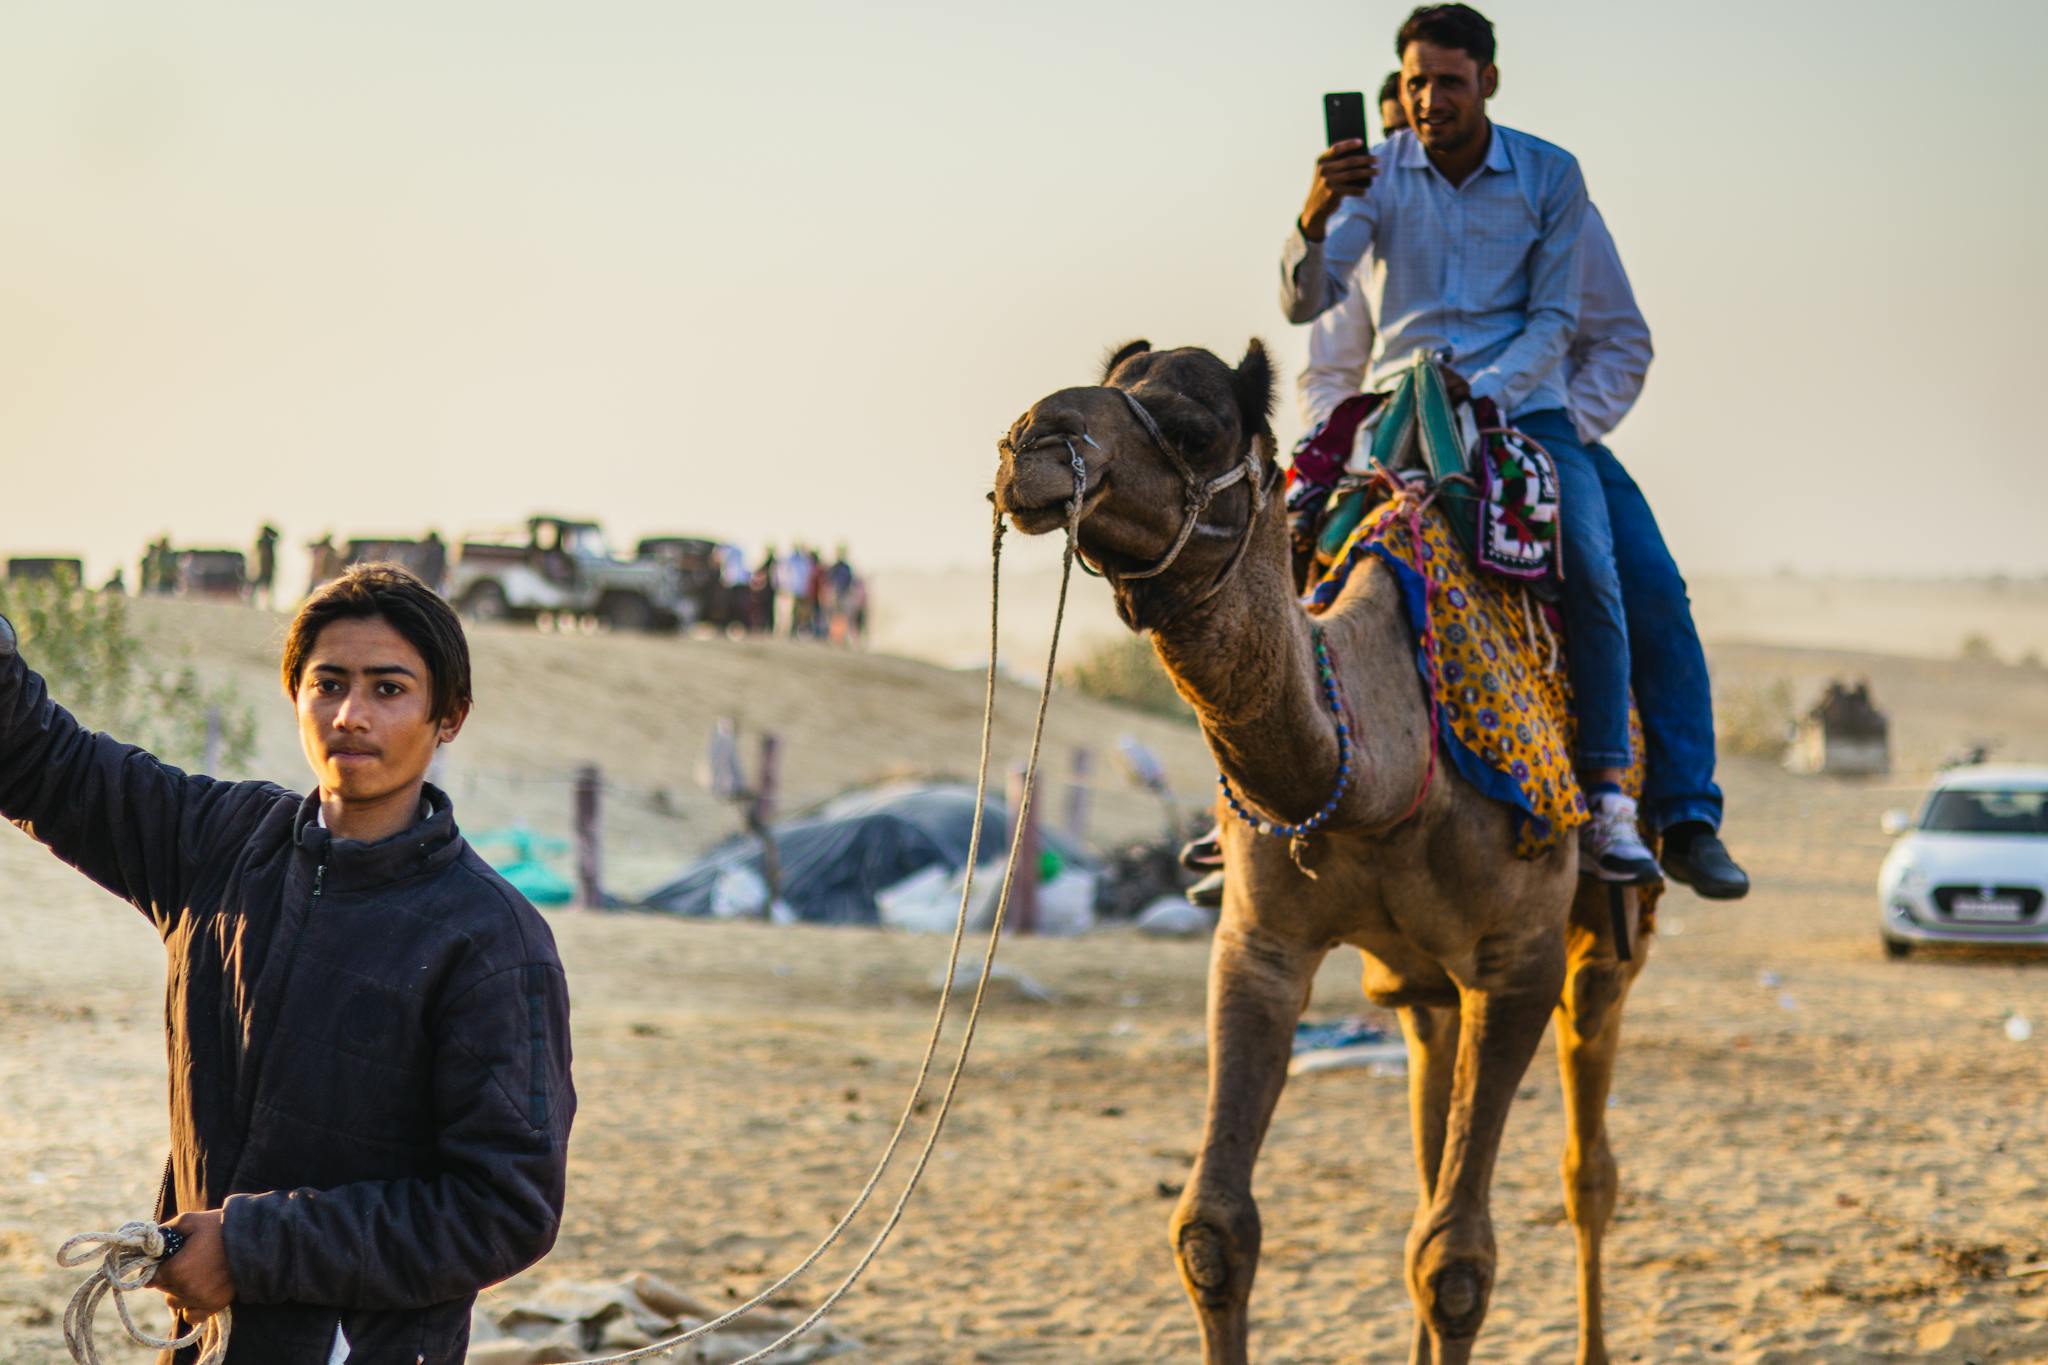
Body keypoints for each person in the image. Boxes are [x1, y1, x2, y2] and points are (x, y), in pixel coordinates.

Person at [0, 564, 575, 1363]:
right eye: (328, 682)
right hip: (206, 1340)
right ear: (295, 692)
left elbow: (503, 1207)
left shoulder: (490, 939)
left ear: (450, 715)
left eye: (388, 689)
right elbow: (40, 762)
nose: (350, 714)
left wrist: (251, 1248)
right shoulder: (221, 844)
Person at [1295, 74, 1748, 897]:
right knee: (1278, 559)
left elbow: (1608, 339)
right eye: (1407, 100)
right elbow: (1324, 357)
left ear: (1482, 90)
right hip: (1392, 425)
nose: (1419, 118)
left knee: (1640, 584)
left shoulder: (1548, 189)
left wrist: (1545, 423)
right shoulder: (1370, 202)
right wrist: (1337, 440)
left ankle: (1674, 811)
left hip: (1537, 422)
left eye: (1439, 91)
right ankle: (1248, 813)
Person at [252, 523, 279, 610]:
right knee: (262, 587)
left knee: (266, 587)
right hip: (263, 568)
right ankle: (255, 602)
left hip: (265, 568)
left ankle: (263, 603)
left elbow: (278, 535)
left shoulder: (265, 542)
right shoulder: (265, 542)